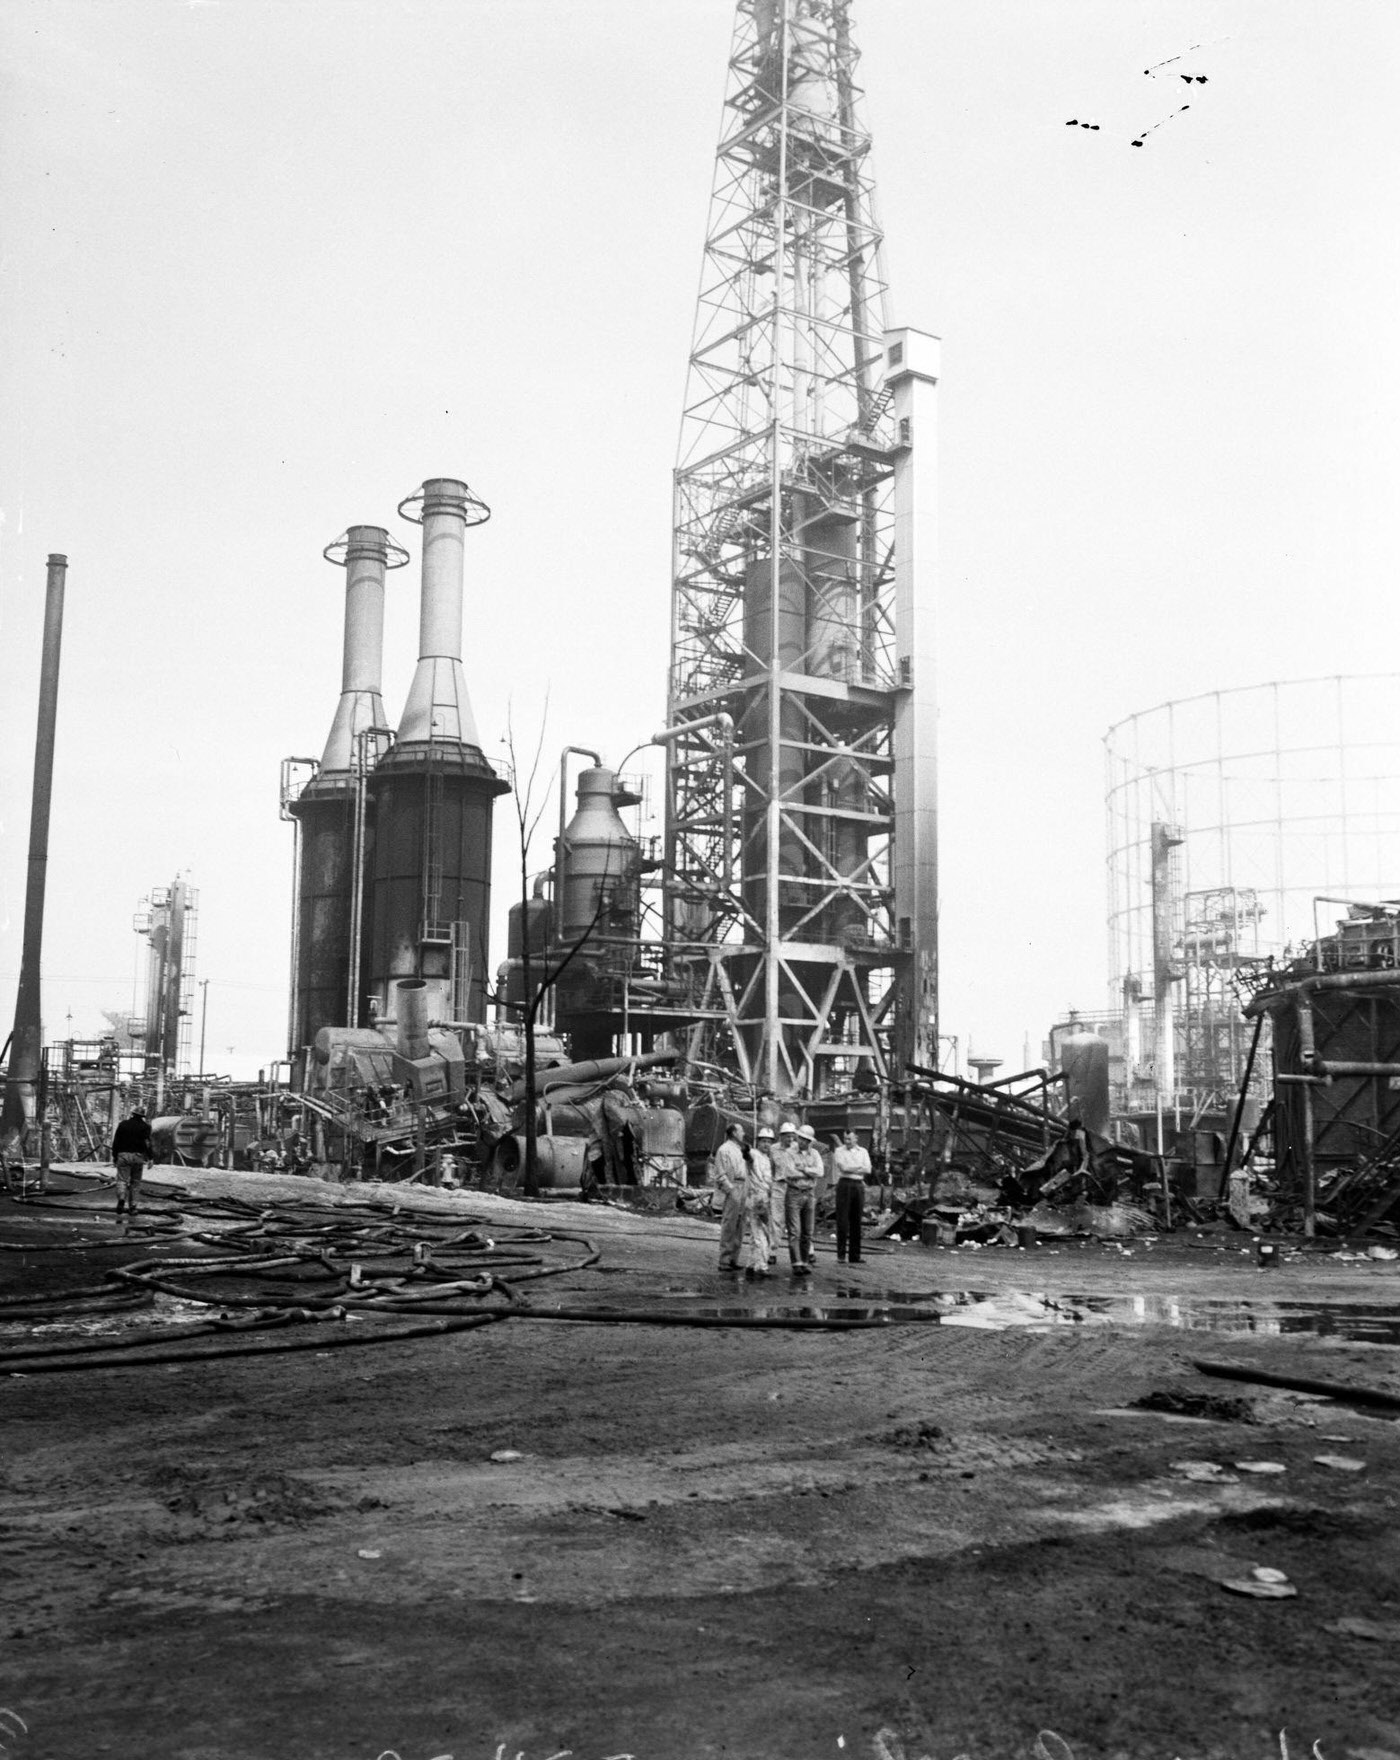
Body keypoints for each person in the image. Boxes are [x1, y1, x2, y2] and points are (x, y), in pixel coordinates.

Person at [786, 1123, 824, 1274]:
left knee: (807, 1231)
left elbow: (820, 1171)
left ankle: (804, 1261)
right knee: (795, 1230)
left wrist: (804, 1169)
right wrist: (809, 1173)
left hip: (809, 1193)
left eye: (805, 1140)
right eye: (800, 1138)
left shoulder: (815, 1154)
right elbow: (789, 1172)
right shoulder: (789, 1153)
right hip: (794, 1192)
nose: (802, 1142)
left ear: (810, 1142)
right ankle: (796, 1263)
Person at [832, 1128, 872, 1265]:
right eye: (845, 1138)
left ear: (856, 1139)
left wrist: (852, 1167)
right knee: (842, 1220)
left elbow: (868, 1169)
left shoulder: (864, 1152)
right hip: (844, 1184)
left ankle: (855, 1255)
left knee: (856, 1221)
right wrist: (858, 1167)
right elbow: (843, 1168)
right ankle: (841, 1255)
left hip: (859, 1185)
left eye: (849, 1139)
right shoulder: (839, 1151)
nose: (846, 1141)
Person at [712, 1122, 747, 1274]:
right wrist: (730, 1189)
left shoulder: (741, 1150)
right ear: (733, 1132)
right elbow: (720, 1173)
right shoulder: (724, 1149)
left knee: (740, 1225)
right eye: (741, 1131)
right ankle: (724, 1260)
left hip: (743, 1186)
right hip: (732, 1187)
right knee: (729, 1224)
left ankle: (734, 1259)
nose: (743, 1134)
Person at [741, 1127, 775, 1278]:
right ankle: (761, 1266)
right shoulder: (754, 1154)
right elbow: (748, 1157)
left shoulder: (768, 1159)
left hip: (765, 1197)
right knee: (760, 1234)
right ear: (758, 1142)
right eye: (764, 1141)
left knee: (758, 1234)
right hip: (756, 1197)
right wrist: (746, 1150)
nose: (766, 1144)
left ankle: (751, 1263)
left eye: (769, 1142)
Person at [110, 1104, 153, 1220]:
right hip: (138, 1157)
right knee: (135, 1182)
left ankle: (121, 1199)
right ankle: (133, 1207)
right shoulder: (145, 1127)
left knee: (122, 1180)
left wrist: (114, 1157)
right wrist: (150, 1158)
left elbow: (116, 1142)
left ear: (132, 1114)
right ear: (142, 1116)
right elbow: (147, 1144)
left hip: (123, 1156)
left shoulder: (123, 1125)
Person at [768, 1121, 798, 1264]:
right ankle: (772, 1252)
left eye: (792, 1136)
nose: (790, 1139)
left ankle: (807, 1251)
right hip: (778, 1186)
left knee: (795, 1220)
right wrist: (770, 1186)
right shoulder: (773, 1149)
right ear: (781, 1136)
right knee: (776, 1219)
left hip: (794, 1187)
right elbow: (770, 1168)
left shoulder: (798, 1149)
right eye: (787, 1136)